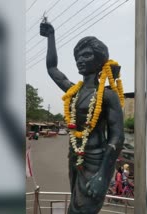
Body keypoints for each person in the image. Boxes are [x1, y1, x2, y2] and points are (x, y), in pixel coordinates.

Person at [40, 22, 125, 214]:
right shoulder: (74, 91)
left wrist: (103, 175)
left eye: (86, 55)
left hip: (96, 160)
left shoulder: (107, 95)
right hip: (75, 156)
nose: (80, 59)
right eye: (78, 56)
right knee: (74, 206)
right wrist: (51, 37)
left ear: (100, 59)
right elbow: (52, 68)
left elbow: (117, 137)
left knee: (82, 210)